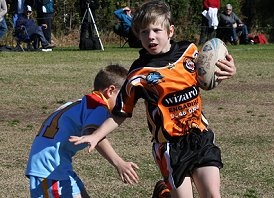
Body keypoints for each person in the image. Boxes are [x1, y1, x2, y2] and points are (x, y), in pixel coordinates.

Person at [70, 1, 236, 198]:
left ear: (170, 31)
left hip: (200, 136)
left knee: (212, 195)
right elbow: (120, 113)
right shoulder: (139, 73)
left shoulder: (189, 52)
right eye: (143, 32)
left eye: (156, 30)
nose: (150, 36)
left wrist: (227, 70)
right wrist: (95, 136)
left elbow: (205, 75)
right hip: (170, 146)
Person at [26, 64, 139, 197]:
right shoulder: (99, 106)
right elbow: (93, 133)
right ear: (110, 91)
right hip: (50, 169)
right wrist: (119, 163)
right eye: (123, 96)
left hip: (57, 165)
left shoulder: (82, 102)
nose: (125, 102)